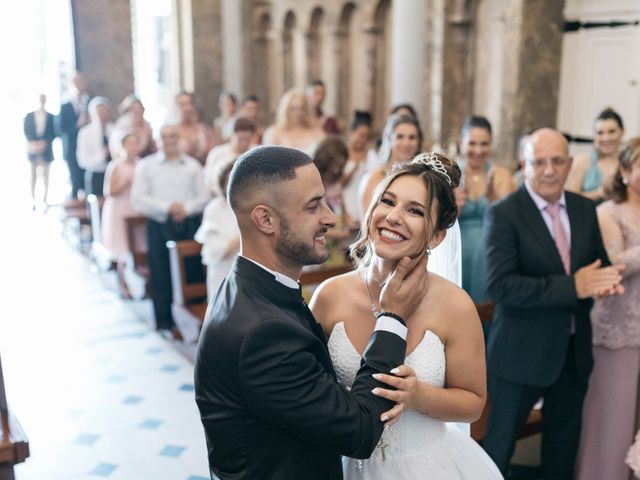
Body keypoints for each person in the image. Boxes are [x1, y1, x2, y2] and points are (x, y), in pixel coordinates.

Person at [194, 145, 428, 480]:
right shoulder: (263, 333)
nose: (330, 217)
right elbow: (359, 431)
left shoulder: (252, 286)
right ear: (265, 219)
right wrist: (392, 319)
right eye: (313, 206)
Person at [311, 153, 501, 479]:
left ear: (437, 236)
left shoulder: (455, 306)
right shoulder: (330, 296)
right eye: (388, 201)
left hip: (425, 466)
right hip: (343, 466)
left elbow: (473, 404)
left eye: (415, 210)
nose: (394, 217)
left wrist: (418, 396)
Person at [482, 128, 625, 479]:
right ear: (523, 165)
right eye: (539, 162)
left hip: (572, 353)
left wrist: (605, 280)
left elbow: (597, 262)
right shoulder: (504, 214)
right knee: (497, 452)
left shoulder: (583, 208)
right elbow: (500, 286)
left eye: (557, 161)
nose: (548, 170)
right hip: (519, 353)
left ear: (569, 163)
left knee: (562, 452)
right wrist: (573, 287)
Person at [577, 137, 640, 480]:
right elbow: (613, 263)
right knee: (613, 422)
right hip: (617, 330)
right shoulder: (607, 212)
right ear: (626, 171)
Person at [131, 124, 210, 339]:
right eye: (165, 137)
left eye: (174, 136)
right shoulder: (147, 166)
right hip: (159, 224)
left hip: (189, 223)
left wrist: (185, 208)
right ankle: (165, 322)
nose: (170, 141)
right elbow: (138, 199)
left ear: (180, 139)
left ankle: (194, 323)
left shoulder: (192, 166)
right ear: (158, 140)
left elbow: (204, 196)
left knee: (191, 271)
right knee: (161, 272)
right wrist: (168, 208)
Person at [457, 115, 515, 302]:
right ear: (461, 143)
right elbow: (437, 222)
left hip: (491, 253)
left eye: (484, 144)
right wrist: (456, 206)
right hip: (456, 250)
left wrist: (494, 202)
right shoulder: (450, 174)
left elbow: (510, 223)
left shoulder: (502, 175)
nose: (478, 150)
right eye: (472, 144)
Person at [101, 132, 140, 298]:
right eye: (129, 144)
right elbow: (109, 191)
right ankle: (123, 284)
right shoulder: (116, 165)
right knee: (122, 247)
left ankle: (140, 282)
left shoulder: (141, 164)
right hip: (120, 208)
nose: (132, 147)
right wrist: (125, 183)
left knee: (138, 246)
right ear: (123, 146)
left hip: (136, 207)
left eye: (135, 143)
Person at [359, 114, 422, 215]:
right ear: (389, 140)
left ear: (418, 142)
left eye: (412, 137)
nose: (406, 143)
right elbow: (368, 217)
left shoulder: (421, 178)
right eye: (400, 137)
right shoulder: (377, 177)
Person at [194, 160, 239, 301]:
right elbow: (217, 252)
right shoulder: (214, 209)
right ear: (223, 184)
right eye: (230, 181)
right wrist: (244, 236)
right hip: (223, 273)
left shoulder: (255, 207)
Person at [566, 108, 625, 203]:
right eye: (600, 133)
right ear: (594, 135)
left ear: (622, 131)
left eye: (611, 131)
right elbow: (569, 200)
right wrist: (600, 193)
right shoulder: (583, 161)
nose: (606, 138)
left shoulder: (629, 164)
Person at [203, 117, 256, 196]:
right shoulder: (217, 153)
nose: (244, 143)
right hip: (219, 196)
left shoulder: (256, 153)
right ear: (232, 136)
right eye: (240, 139)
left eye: (247, 139)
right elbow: (207, 181)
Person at [57, 72, 90, 199]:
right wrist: (77, 125)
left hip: (89, 148)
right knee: (75, 181)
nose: (79, 85)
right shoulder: (65, 106)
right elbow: (60, 129)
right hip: (72, 148)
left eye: (81, 82)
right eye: (76, 82)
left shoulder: (92, 102)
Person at [341, 111, 379, 221]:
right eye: (360, 135)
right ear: (351, 132)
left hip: (363, 202)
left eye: (366, 137)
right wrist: (354, 169)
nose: (362, 140)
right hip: (344, 201)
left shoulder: (371, 156)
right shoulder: (341, 152)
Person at [262, 88, 325, 153]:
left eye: (302, 108)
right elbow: (268, 158)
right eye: (293, 109)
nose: (298, 113)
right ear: (285, 110)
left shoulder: (317, 131)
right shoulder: (274, 133)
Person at [76, 97, 114, 197]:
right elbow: (82, 160)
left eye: (104, 112)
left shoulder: (115, 130)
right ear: (92, 114)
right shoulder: (85, 133)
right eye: (99, 112)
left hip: (113, 174)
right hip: (95, 174)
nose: (102, 115)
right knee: (95, 207)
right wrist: (102, 155)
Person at [23, 94, 56, 208]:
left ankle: (45, 199)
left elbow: (53, 132)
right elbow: (26, 130)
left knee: (46, 177)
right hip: (33, 150)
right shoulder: (29, 115)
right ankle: (33, 200)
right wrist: (33, 143)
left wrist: (44, 143)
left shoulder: (51, 117)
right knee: (33, 177)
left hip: (46, 150)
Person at [175, 91, 215, 164]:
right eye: (182, 105)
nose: (187, 108)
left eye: (189, 103)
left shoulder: (205, 130)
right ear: (176, 107)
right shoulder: (172, 132)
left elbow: (213, 154)